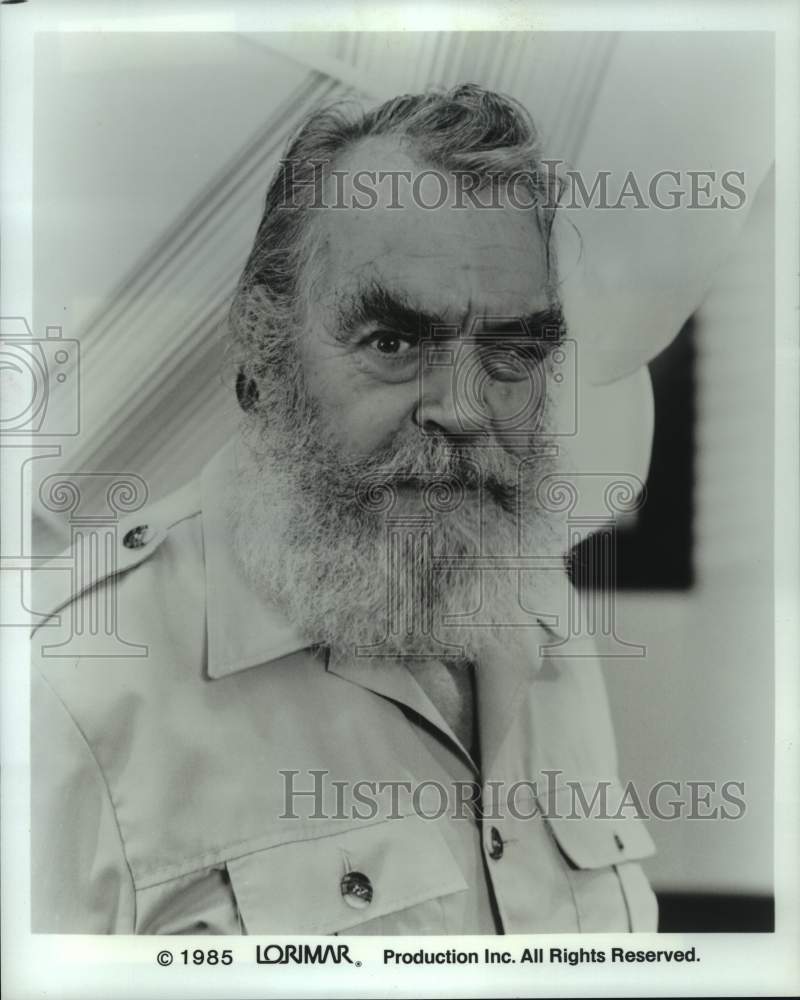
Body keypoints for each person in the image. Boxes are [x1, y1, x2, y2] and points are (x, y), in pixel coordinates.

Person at [31, 84, 661, 934]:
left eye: (510, 351)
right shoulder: (67, 690)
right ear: (263, 341)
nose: (464, 409)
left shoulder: (539, 613)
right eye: (393, 343)